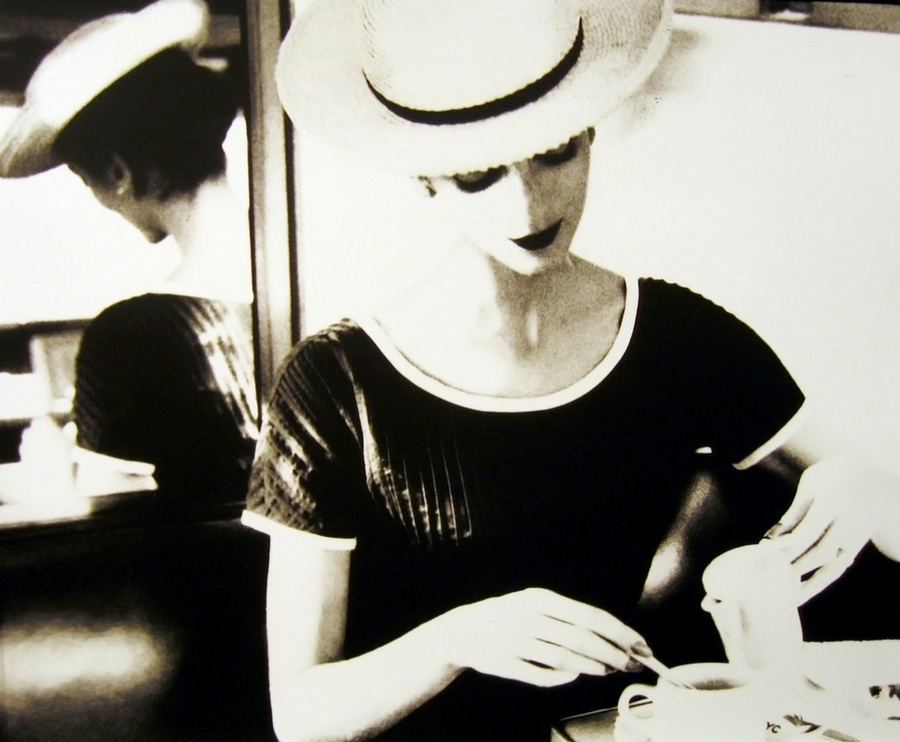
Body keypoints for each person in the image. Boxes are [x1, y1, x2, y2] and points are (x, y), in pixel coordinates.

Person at [242, 1, 900, 740]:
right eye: (479, 174)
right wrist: (458, 638)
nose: (528, 202)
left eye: (554, 151)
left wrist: (870, 489)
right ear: (424, 174)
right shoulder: (333, 384)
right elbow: (301, 716)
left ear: (589, 130)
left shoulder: (679, 335)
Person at [0, 0, 258, 502]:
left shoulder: (130, 339)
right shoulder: (316, 279)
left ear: (118, 172)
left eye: (86, 180)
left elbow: (115, 523)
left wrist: (52, 478)